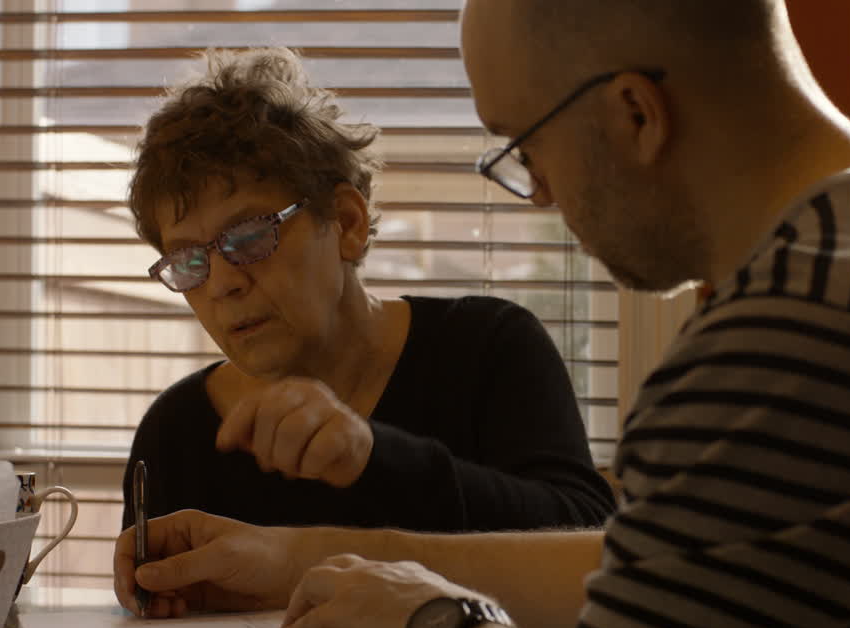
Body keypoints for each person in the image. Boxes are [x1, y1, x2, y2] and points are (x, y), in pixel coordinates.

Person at [114, 2, 850, 628]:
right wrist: (295, 560)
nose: (538, 192)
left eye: (522, 143)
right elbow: (656, 571)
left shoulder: (791, 345)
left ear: (633, 111)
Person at [121, 47, 614, 534]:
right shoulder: (175, 433)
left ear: (346, 222)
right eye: (189, 261)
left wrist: (374, 456)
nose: (224, 283)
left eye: (249, 236)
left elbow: (587, 538)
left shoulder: (488, 349)